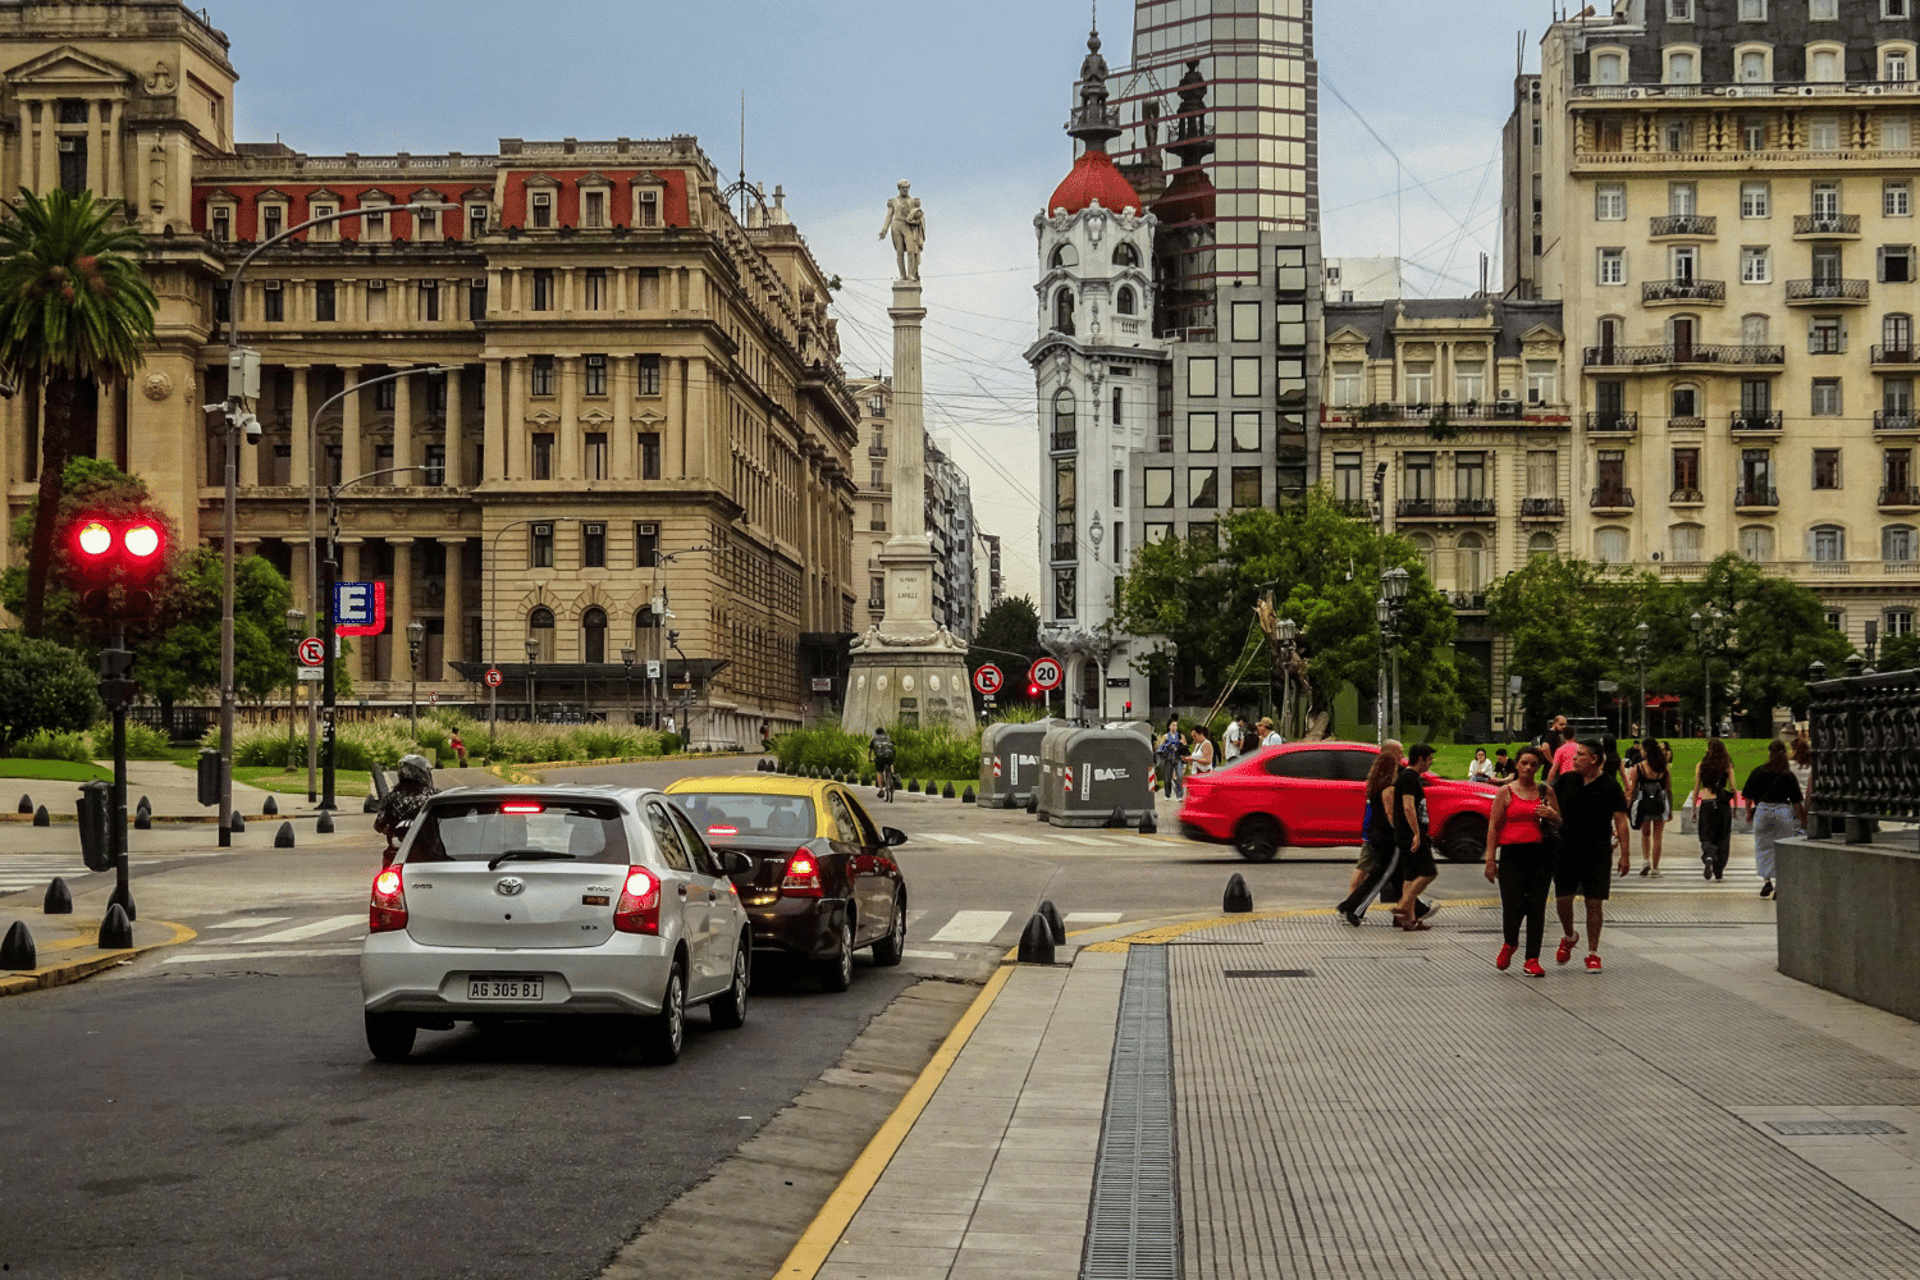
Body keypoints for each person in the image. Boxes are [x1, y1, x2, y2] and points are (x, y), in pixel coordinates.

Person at [1552, 738, 1631, 973]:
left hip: (1597, 850)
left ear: (1594, 759)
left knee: (1593, 902)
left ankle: (1593, 952)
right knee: (1563, 900)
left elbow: (1621, 821)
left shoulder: (1610, 786)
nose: (1574, 758)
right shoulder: (1565, 781)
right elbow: (1551, 807)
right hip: (1565, 848)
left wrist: (1625, 854)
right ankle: (1569, 936)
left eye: (1580, 754)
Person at [1483, 744, 1561, 975]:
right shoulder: (1505, 792)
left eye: (1533, 765)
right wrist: (1490, 859)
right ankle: (1510, 942)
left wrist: (1553, 815)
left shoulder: (1545, 791)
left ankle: (1532, 959)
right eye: (1524, 763)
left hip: (1540, 854)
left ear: (1538, 768)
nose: (1528, 768)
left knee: (1536, 907)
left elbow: (1560, 823)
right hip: (1512, 855)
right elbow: (1493, 827)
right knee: (1512, 904)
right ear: (1516, 765)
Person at [1337, 741, 1404, 926]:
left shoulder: (1375, 782)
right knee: (1381, 875)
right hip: (1386, 837)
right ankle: (1352, 906)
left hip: (1376, 834)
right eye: (1400, 754)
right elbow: (1391, 816)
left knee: (1396, 875)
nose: (1402, 759)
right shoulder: (1388, 787)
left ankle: (1410, 909)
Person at [1743, 739, 1806, 899]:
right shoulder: (1788, 774)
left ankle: (1766, 881)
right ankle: (1779, 886)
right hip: (1782, 811)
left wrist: (1749, 812)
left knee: (1763, 847)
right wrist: (1803, 820)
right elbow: (1797, 802)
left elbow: (1747, 797)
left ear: (1769, 753)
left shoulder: (1758, 771)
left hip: (1763, 810)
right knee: (1782, 848)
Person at [1392, 743, 1441, 932]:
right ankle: (1402, 907)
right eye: (1429, 759)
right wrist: (1416, 834)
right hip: (1411, 834)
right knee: (1428, 871)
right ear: (1421, 759)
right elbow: (1408, 806)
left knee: (1410, 876)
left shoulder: (1409, 777)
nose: (1431, 763)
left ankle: (1409, 920)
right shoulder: (1409, 778)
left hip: (1407, 834)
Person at [374, 754, 436, 867]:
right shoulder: (433, 796)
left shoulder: (392, 797)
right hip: (429, 851)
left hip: (397, 852)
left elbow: (379, 824)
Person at [1626, 734, 1673, 876]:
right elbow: (1668, 789)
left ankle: (1645, 860)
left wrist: (1629, 805)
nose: (1641, 752)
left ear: (1646, 751)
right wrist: (1669, 809)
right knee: (1658, 836)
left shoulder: (1638, 767)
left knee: (1645, 834)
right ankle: (1655, 868)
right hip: (1659, 803)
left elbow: (1632, 790)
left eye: (1642, 750)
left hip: (1644, 803)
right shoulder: (1663, 768)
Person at [1693, 736, 1736, 881]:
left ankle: (1709, 856)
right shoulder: (1727, 765)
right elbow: (1734, 788)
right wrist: (1735, 807)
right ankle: (1719, 869)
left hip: (1706, 803)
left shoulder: (1701, 766)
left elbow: (1696, 789)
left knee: (1706, 834)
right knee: (1723, 837)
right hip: (1723, 805)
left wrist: (1694, 809)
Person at [1157, 717, 1186, 798]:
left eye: (1176, 725)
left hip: (1178, 758)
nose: (1175, 727)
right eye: (1173, 725)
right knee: (1167, 778)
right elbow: (1160, 748)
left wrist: (1181, 744)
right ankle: (1167, 794)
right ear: (1169, 726)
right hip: (1168, 758)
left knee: (1179, 776)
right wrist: (1166, 746)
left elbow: (1185, 746)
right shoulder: (1165, 736)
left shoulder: (1180, 735)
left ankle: (1179, 795)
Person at [869, 727, 897, 797]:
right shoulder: (888, 737)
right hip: (890, 754)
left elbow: (870, 752)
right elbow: (893, 745)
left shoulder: (874, 739)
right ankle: (892, 773)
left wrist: (870, 759)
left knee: (879, 772)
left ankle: (881, 789)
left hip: (880, 756)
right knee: (891, 762)